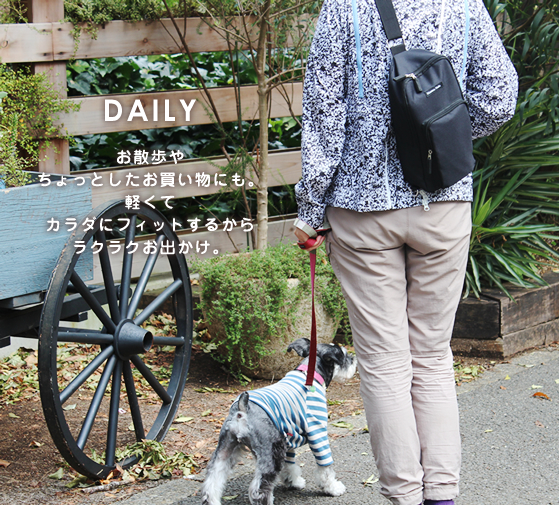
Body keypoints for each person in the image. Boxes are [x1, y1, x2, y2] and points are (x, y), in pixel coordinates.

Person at [293, 0, 518, 504]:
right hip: (444, 202)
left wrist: (310, 209)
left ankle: (404, 496)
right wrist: (439, 133)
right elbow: (500, 96)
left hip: (362, 208)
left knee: (384, 361)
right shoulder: (464, 4)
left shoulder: (343, 8)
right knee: (433, 356)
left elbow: (325, 117)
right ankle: (442, 496)